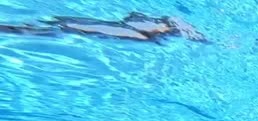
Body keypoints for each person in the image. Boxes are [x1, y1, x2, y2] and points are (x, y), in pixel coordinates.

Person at [0, 12, 204, 42]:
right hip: (71, 27)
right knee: (25, 30)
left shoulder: (140, 32)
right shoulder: (143, 36)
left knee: (25, 29)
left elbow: (133, 15)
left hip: (70, 25)